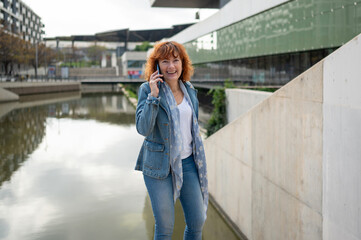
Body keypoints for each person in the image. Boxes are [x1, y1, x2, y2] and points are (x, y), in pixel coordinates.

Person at [135, 41, 208, 240]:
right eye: (165, 61)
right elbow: (143, 128)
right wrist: (153, 97)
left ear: (183, 64)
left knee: (197, 221)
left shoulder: (189, 90)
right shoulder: (146, 90)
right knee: (165, 227)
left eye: (176, 60)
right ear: (157, 65)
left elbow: (192, 130)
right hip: (158, 166)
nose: (171, 66)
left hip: (188, 163)